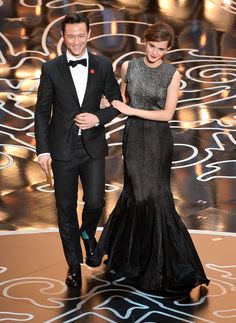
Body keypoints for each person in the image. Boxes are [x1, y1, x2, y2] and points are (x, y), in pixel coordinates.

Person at [89, 22, 210, 294]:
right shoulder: (128, 67)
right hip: (133, 138)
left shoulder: (171, 74)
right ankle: (132, 260)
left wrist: (130, 110)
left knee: (154, 196)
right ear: (145, 42)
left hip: (157, 140)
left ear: (168, 50)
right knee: (135, 194)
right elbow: (119, 100)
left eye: (162, 49)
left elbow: (167, 114)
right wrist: (108, 104)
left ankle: (168, 265)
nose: (156, 53)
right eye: (152, 46)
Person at [34, 12, 121, 288]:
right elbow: (41, 112)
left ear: (89, 34)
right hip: (62, 150)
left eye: (80, 35)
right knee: (65, 208)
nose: (75, 41)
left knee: (95, 202)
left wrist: (98, 117)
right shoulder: (51, 69)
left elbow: (117, 101)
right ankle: (73, 265)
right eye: (70, 35)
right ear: (62, 36)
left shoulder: (103, 65)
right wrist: (42, 150)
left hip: (92, 146)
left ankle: (87, 234)